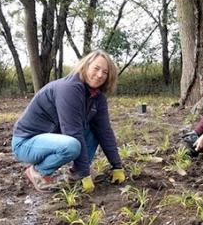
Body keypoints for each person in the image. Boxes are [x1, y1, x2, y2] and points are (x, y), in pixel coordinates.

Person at [12, 49, 126, 193]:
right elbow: (72, 132)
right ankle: (38, 172)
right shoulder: (69, 88)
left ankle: (76, 174)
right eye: (96, 68)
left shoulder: (97, 96)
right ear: (86, 66)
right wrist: (85, 174)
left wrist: (117, 166)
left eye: (105, 72)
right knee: (72, 145)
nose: (99, 75)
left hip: (51, 140)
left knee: (95, 130)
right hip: (26, 143)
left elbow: (105, 131)